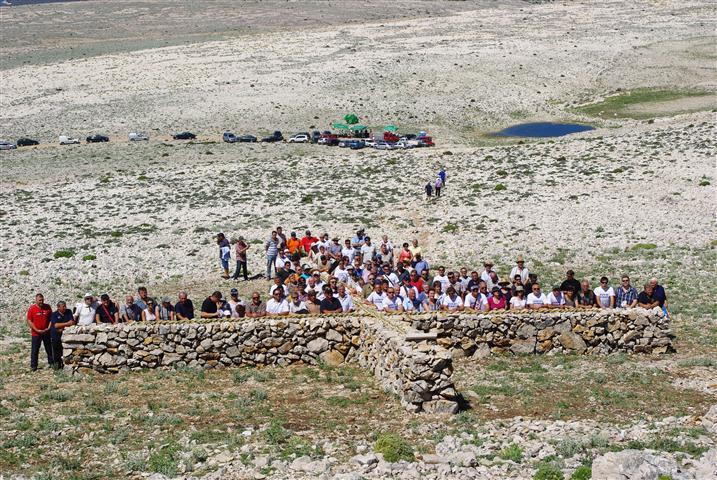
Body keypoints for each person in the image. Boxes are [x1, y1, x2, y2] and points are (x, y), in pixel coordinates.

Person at [27, 293, 53, 371]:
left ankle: (52, 363)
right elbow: (29, 320)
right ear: (36, 300)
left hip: (46, 332)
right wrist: (36, 329)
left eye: (42, 300)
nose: (41, 301)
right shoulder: (32, 309)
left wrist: (48, 328)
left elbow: (51, 319)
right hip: (36, 333)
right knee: (35, 350)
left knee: (49, 349)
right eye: (39, 300)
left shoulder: (47, 307)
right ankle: (33, 366)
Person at [49, 301, 74, 369]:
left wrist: (62, 326)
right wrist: (66, 324)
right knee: (57, 352)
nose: (65, 307)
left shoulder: (69, 311)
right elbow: (56, 325)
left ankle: (65, 365)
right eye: (63, 306)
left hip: (66, 336)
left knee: (66, 351)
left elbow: (72, 322)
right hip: (56, 336)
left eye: (65, 306)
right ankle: (57, 366)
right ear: (58, 307)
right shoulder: (54, 314)